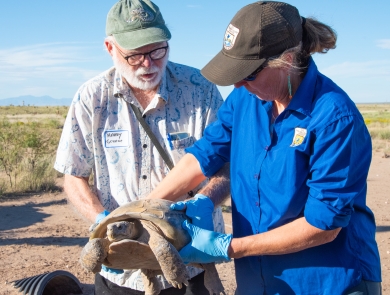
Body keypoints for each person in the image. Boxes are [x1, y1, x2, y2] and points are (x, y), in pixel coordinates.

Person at [147, 1, 382, 294]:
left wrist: (226, 247)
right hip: (258, 279)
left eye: (248, 73)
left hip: (326, 279)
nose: (237, 85)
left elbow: (324, 225)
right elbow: (205, 155)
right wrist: (143, 209)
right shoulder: (246, 99)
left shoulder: (334, 118)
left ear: (286, 60)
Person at [53, 0, 229, 294]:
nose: (148, 63)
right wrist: (101, 221)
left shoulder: (200, 89)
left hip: (190, 259)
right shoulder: (91, 99)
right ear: (111, 48)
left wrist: (206, 200)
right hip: (121, 271)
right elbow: (73, 175)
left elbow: (226, 163)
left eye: (158, 50)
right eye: (134, 55)